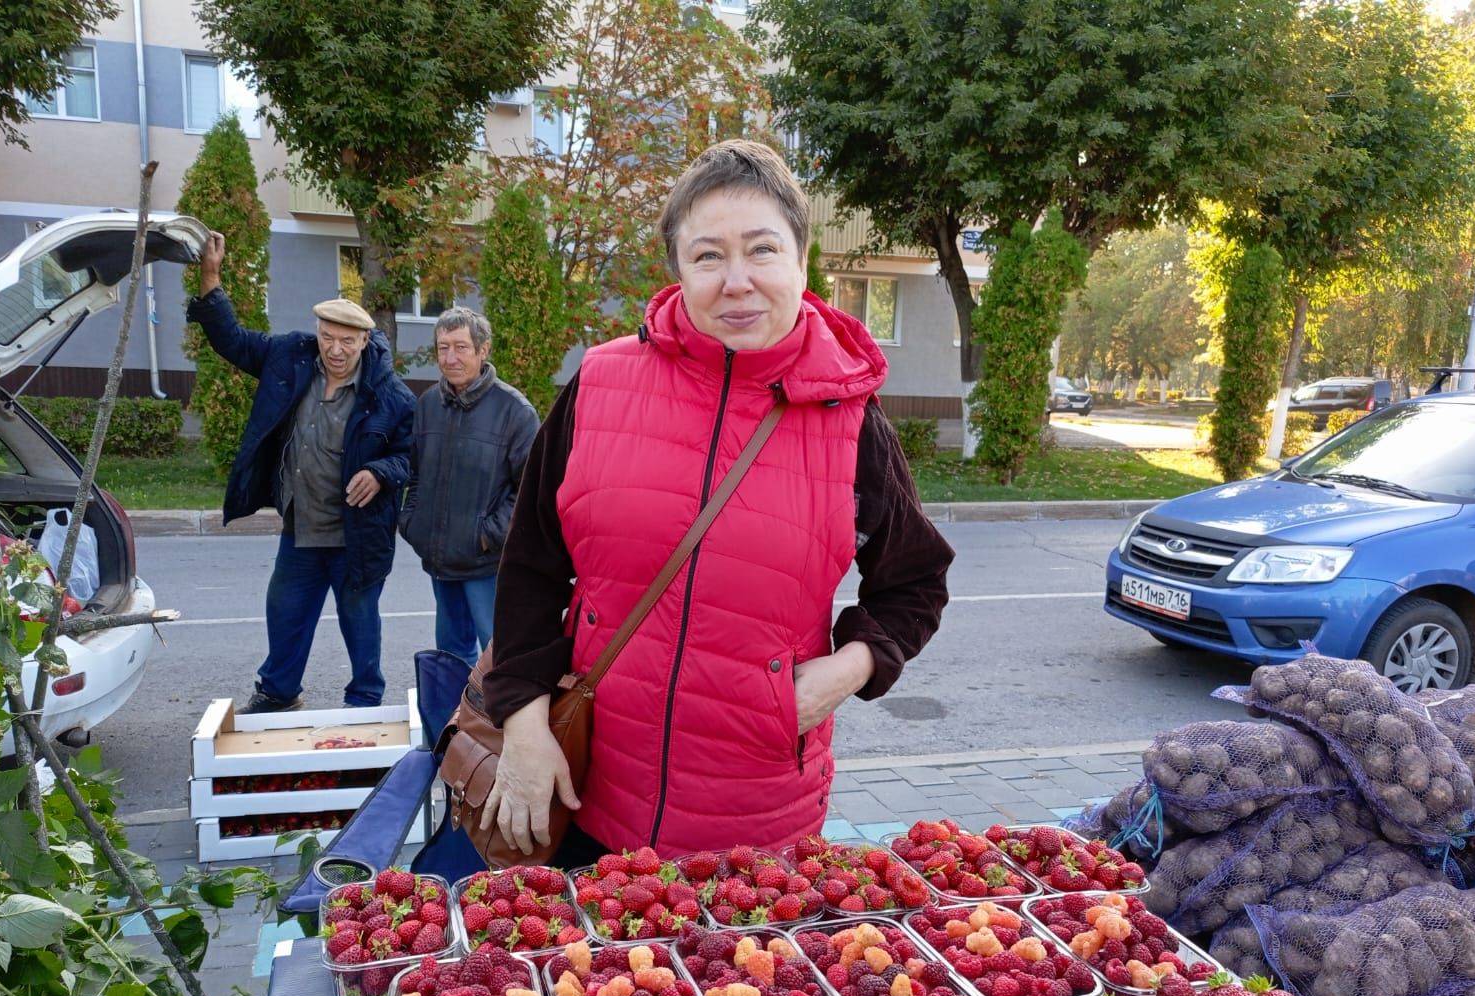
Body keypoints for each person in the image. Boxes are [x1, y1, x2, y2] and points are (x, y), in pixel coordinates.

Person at [479, 139, 954, 862]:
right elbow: (531, 568)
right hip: (590, 796)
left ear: (801, 261)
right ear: (678, 269)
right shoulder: (599, 385)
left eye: (761, 250)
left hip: (759, 823)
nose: (736, 281)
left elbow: (914, 581)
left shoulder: (848, 420)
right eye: (707, 256)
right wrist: (520, 721)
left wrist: (852, 666)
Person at [187, 231, 414, 713]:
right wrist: (211, 277)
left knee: (360, 620)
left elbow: (412, 455)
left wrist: (380, 472)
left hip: (358, 533)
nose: (335, 350)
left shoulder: (389, 395)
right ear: (318, 334)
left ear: (365, 341)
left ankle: (365, 699)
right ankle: (279, 692)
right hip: (301, 527)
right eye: (328, 338)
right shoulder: (289, 358)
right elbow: (231, 340)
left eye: (347, 341)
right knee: (285, 613)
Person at [400, 309, 539, 665]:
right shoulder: (429, 404)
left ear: (483, 350)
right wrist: (414, 523)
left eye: (461, 347)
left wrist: (487, 535)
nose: (450, 358)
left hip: (486, 564)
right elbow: (416, 473)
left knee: (497, 659)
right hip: (440, 560)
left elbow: (530, 491)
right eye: (443, 347)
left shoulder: (514, 411)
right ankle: (455, 721)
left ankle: (495, 721)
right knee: (450, 658)